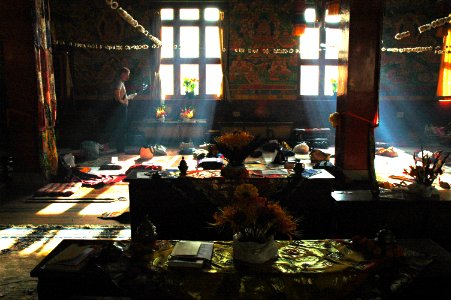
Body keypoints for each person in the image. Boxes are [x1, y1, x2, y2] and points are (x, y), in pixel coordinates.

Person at [113, 67, 136, 153]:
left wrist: (128, 98)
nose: (128, 77)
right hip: (120, 108)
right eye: (127, 74)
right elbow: (116, 93)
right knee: (121, 127)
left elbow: (120, 94)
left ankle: (120, 148)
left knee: (121, 127)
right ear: (123, 74)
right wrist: (122, 102)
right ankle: (120, 148)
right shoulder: (119, 82)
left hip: (121, 107)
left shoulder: (121, 82)